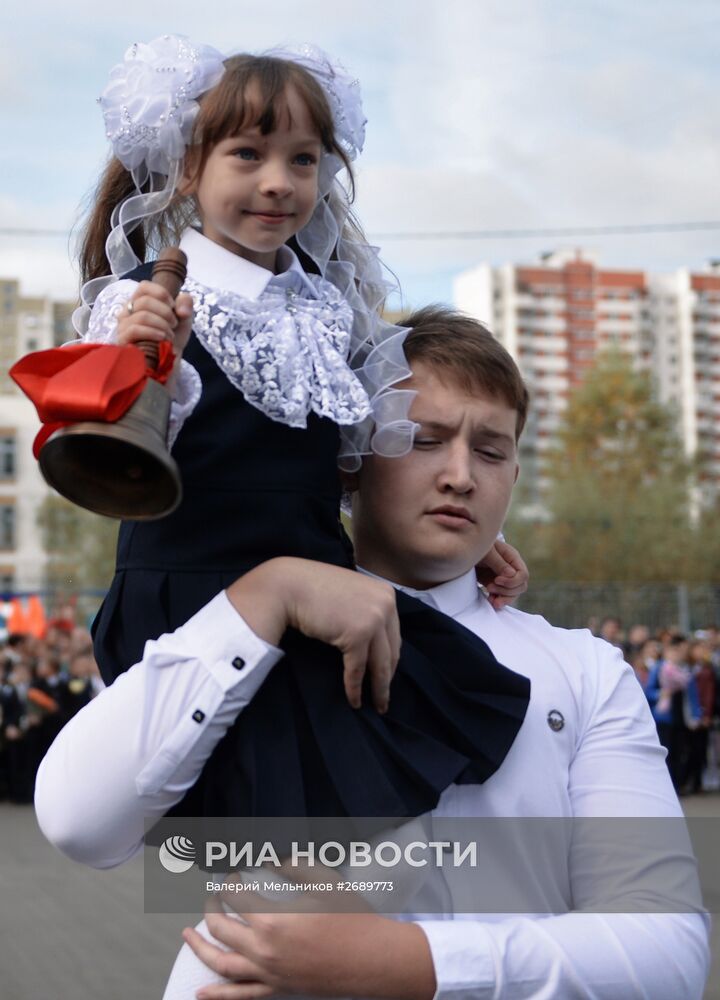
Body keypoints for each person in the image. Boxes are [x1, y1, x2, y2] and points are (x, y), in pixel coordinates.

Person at [36, 307, 709, 999]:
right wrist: (271, 593)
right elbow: (80, 822)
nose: (460, 475)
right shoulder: (247, 635)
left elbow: (666, 949)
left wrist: (401, 960)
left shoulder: (584, 671)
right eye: (423, 438)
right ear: (351, 459)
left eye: (491, 449)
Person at [17, 35, 530, 823]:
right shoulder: (141, 304)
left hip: (323, 585)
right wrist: (140, 366)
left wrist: (457, 538)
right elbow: (98, 461)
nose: (278, 182)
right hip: (192, 596)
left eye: (303, 159)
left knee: (458, 698)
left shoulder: (329, 307)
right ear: (189, 168)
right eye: (249, 154)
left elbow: (348, 457)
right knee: (275, 832)